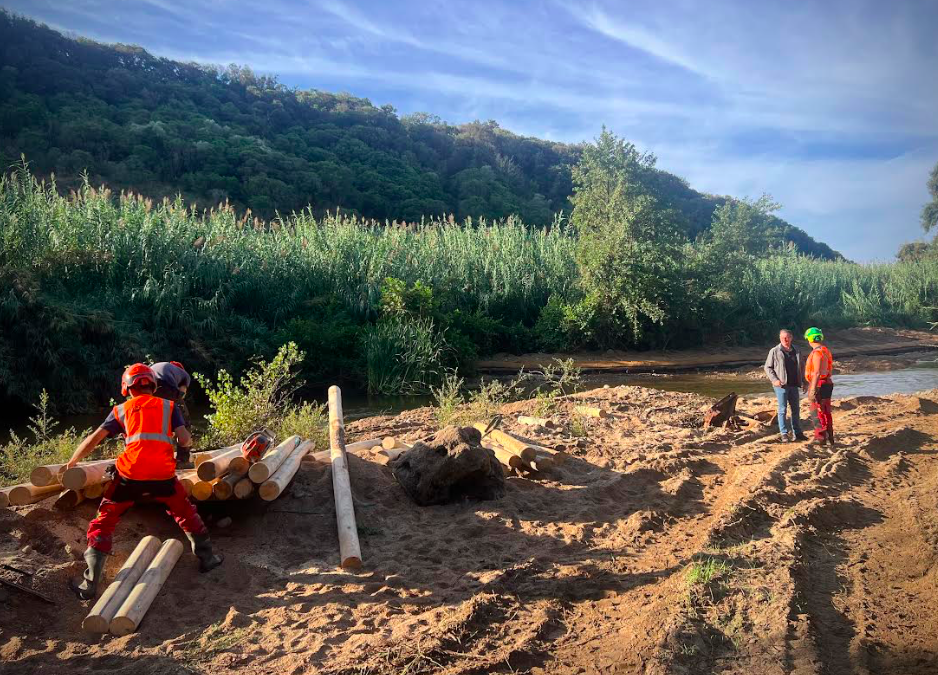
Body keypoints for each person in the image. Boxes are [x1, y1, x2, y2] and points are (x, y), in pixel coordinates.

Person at [66, 364, 223, 600]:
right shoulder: (170, 406)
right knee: (185, 512)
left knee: (104, 522)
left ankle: (90, 585)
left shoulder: (119, 410)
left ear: (126, 388)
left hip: (129, 477)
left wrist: (73, 461)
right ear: (154, 385)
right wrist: (184, 450)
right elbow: (184, 438)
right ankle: (208, 558)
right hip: (163, 476)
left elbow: (94, 439)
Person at [764, 329, 807, 442]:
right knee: (782, 409)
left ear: (791, 337)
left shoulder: (797, 350)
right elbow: (768, 367)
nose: (785, 340)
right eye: (783, 338)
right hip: (781, 386)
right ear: (780, 338)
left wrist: (804, 381)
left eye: (787, 337)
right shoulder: (774, 351)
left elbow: (802, 367)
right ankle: (784, 433)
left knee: (796, 410)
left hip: (794, 384)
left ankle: (797, 433)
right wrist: (775, 380)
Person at [150, 361, 193, 468]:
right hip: (166, 386)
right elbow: (181, 394)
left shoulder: (160, 366)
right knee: (183, 420)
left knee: (153, 423)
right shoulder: (185, 375)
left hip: (148, 386)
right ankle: (182, 460)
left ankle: (153, 458)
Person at [803, 327, 834, 447]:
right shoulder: (825, 350)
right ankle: (829, 435)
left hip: (819, 383)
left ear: (810, 339)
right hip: (826, 383)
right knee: (826, 411)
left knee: (817, 411)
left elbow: (816, 373)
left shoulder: (816, 353)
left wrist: (812, 390)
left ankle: (820, 437)